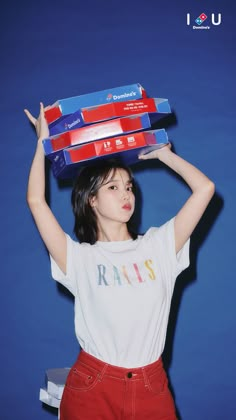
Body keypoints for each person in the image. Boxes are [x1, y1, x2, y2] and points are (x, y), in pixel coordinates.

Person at [25, 102, 215, 420]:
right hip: (92, 385)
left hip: (150, 384)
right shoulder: (79, 258)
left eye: (129, 186)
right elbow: (36, 202)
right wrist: (43, 142)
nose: (126, 194)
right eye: (113, 187)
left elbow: (205, 189)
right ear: (92, 200)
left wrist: (165, 155)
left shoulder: (160, 245)